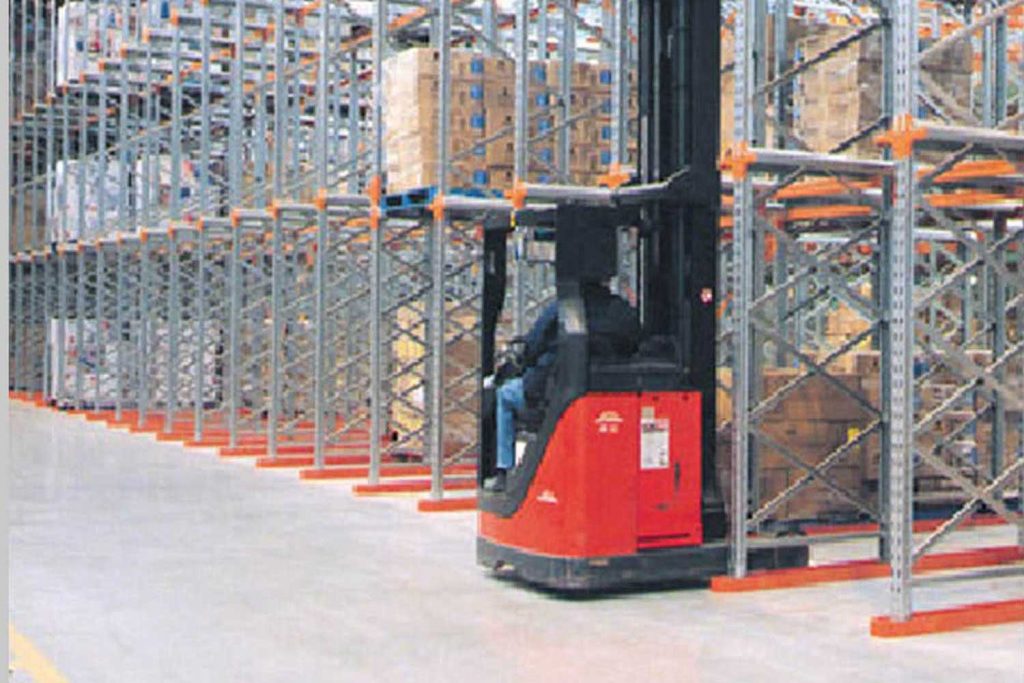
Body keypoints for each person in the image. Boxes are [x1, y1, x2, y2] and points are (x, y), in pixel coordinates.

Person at [484, 281, 638, 492]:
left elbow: (533, 347)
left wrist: (522, 358)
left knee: (504, 395)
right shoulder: (621, 310)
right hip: (613, 386)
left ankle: (503, 470)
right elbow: (636, 342)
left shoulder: (563, 308)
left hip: (555, 388)